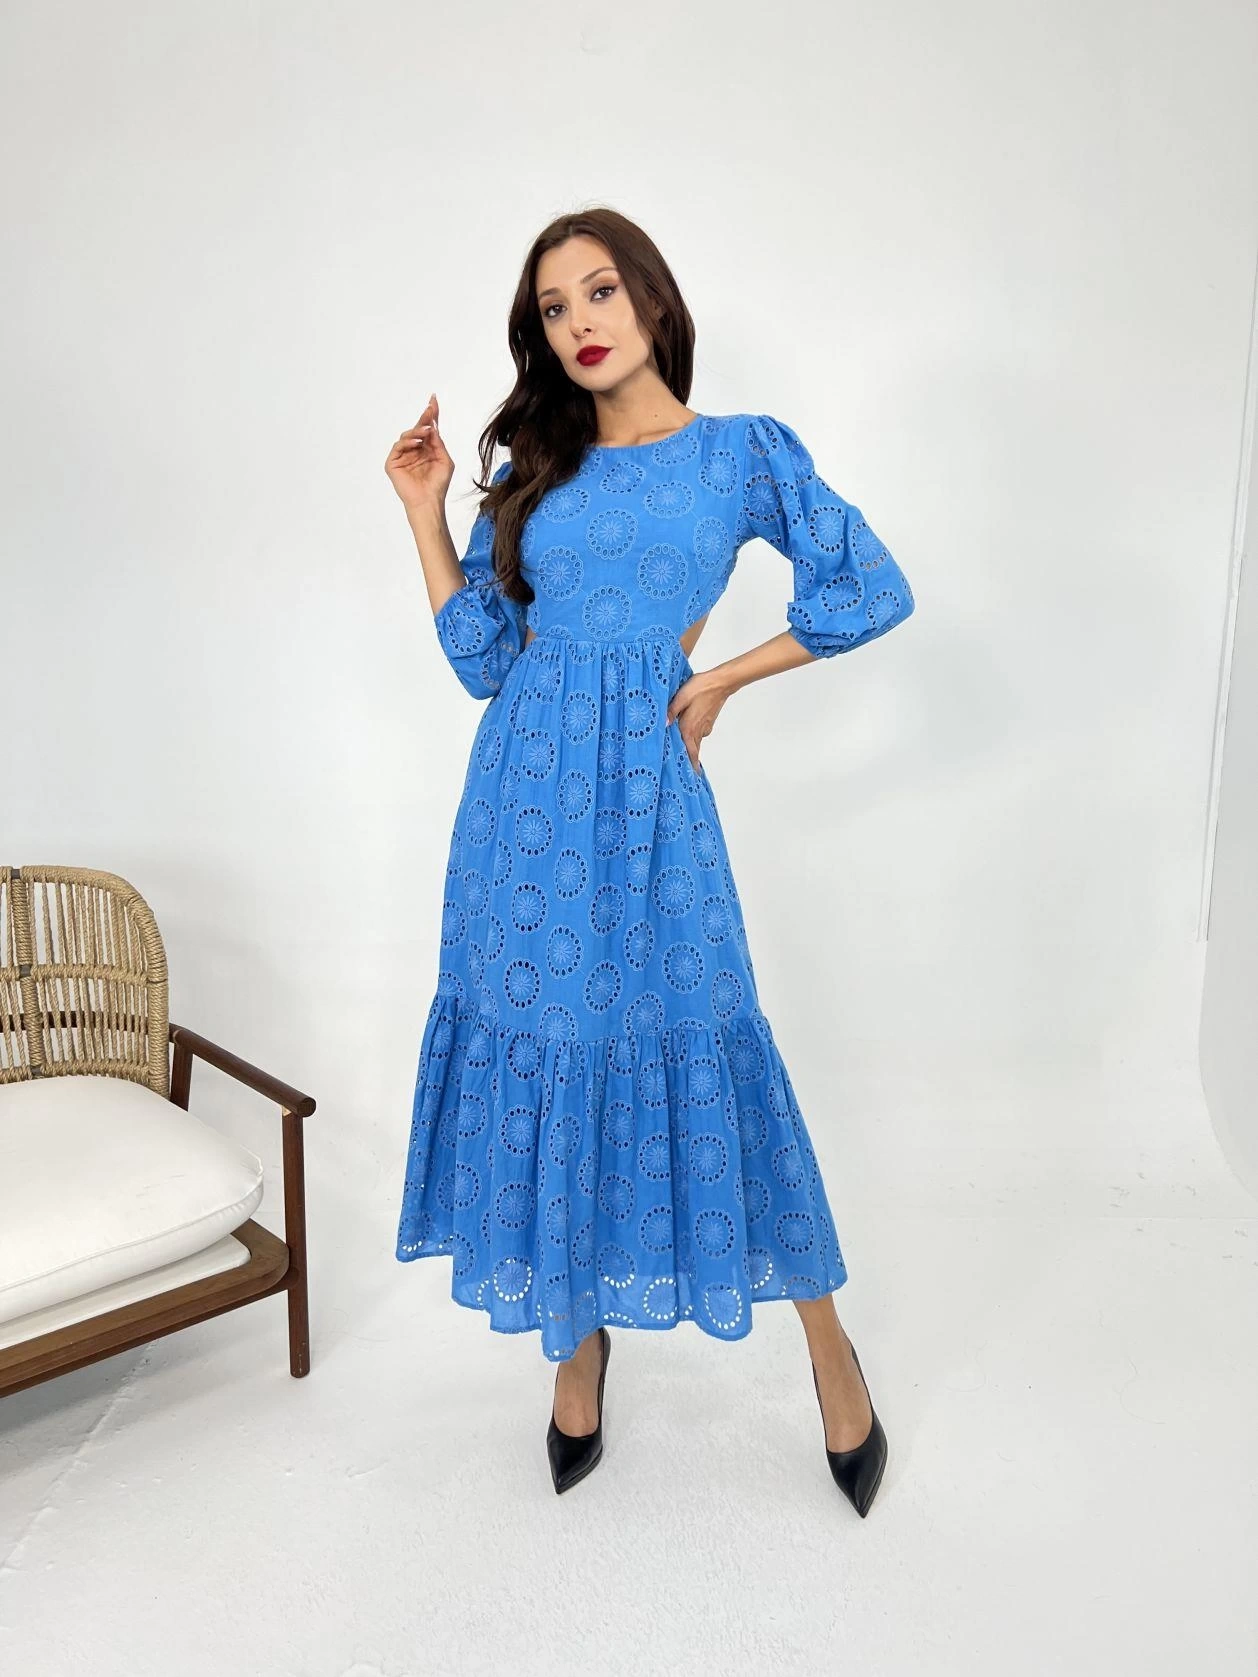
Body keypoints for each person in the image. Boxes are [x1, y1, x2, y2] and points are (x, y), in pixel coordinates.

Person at [384, 207, 912, 1512]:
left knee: (708, 1036)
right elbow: (485, 663)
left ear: (654, 302)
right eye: (553, 308)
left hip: (650, 806)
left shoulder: (739, 454)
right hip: (518, 811)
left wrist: (722, 676)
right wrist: (425, 514)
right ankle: (575, 1346)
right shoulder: (536, 464)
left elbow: (868, 589)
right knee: (549, 1049)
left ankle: (829, 1349)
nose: (579, 323)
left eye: (600, 291)